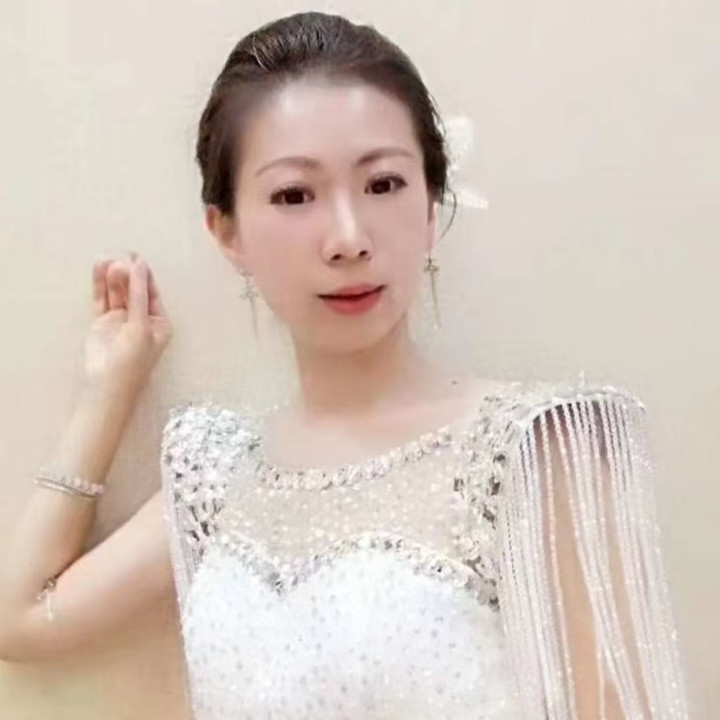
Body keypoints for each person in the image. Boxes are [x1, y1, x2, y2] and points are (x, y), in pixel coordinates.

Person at [0, 10, 691, 719]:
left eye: (383, 184)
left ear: (431, 204)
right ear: (227, 232)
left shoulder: (537, 450)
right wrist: (108, 390)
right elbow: (21, 619)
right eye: (294, 195)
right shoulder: (218, 475)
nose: (349, 238)